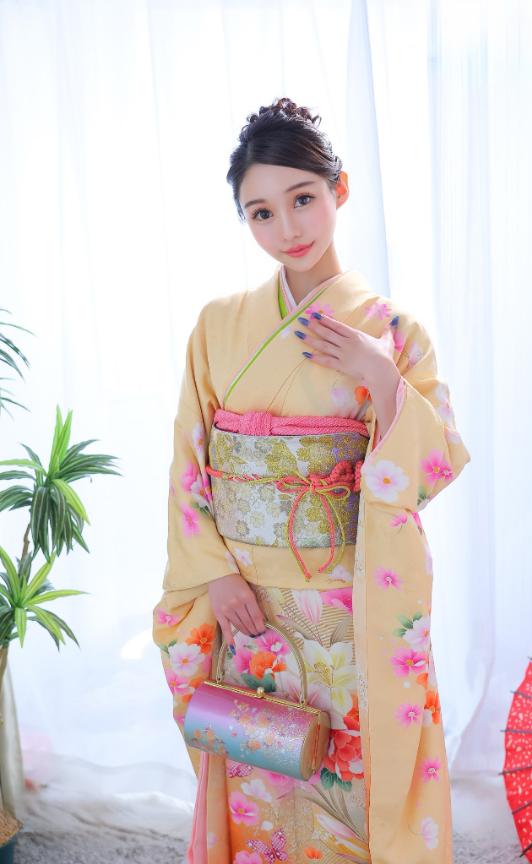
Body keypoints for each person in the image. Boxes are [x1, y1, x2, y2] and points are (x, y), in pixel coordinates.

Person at [152, 96, 471, 864]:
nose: (287, 228)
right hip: (247, 606)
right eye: (261, 213)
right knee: (262, 780)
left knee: (351, 782)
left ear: (340, 190)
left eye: (302, 199)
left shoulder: (394, 331)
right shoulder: (217, 326)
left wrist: (381, 376)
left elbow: (435, 462)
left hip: (349, 600)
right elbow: (189, 457)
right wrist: (215, 572)